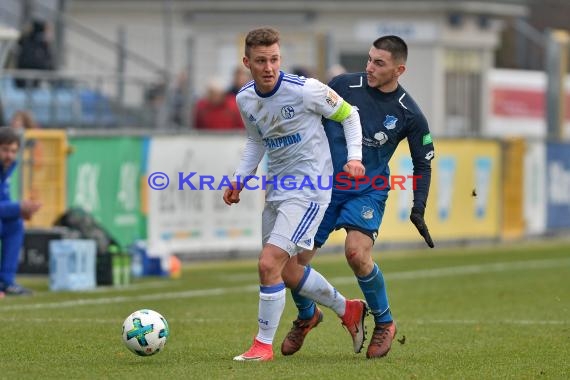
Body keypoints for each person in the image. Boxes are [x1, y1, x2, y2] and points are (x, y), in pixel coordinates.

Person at [280, 35, 435, 359]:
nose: (369, 67)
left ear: (399, 69)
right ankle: (308, 316)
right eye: (369, 59)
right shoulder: (342, 85)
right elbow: (308, 120)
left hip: (367, 191)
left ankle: (384, 322)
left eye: (379, 63)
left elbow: (423, 161)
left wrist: (418, 208)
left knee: (356, 254)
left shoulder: (409, 113)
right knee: (291, 265)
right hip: (322, 188)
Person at [223, 27, 367, 361]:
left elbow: (350, 115)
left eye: (274, 59)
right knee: (285, 272)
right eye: (261, 61)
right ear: (247, 62)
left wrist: (354, 157)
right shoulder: (246, 98)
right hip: (278, 190)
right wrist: (239, 179)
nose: (269, 67)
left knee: (267, 263)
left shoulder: (306, 91)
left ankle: (262, 346)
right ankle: (347, 309)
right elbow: (256, 140)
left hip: (310, 189)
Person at [0, 126, 42, 296]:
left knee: (15, 224)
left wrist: (19, 212)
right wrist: (18, 207)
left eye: (13, 151)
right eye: (4, 150)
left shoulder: (6, 168)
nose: (9, 155)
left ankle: (6, 282)